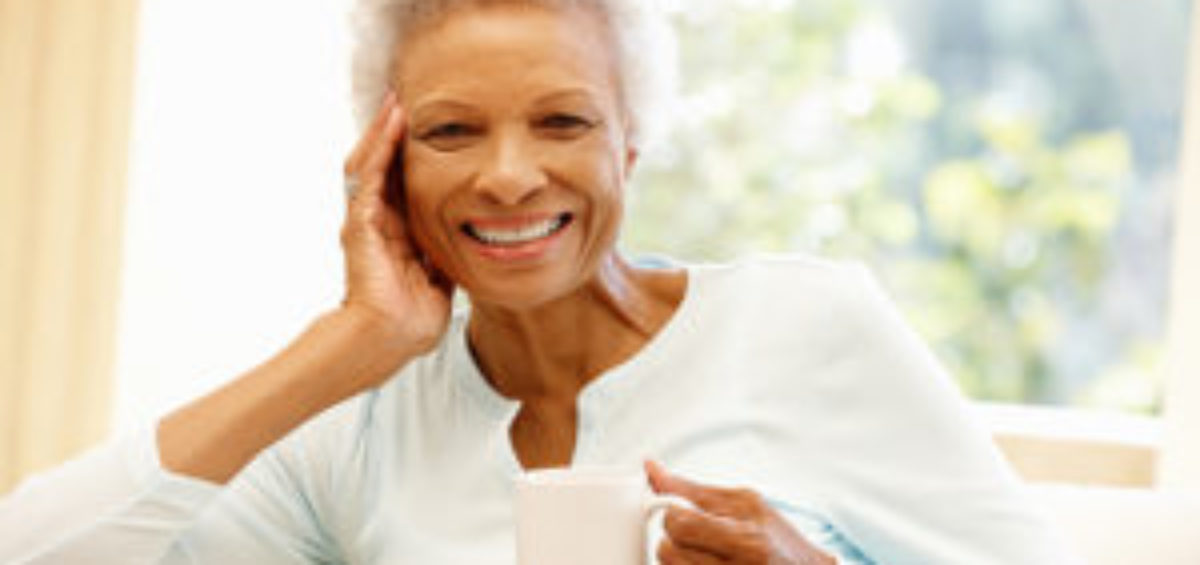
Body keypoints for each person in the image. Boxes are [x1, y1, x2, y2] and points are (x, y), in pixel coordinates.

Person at [0, 0, 1079, 563]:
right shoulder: (359, 424)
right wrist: (347, 340)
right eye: (451, 131)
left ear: (630, 149)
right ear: (387, 167)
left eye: (563, 120)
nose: (511, 174)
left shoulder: (806, 323)